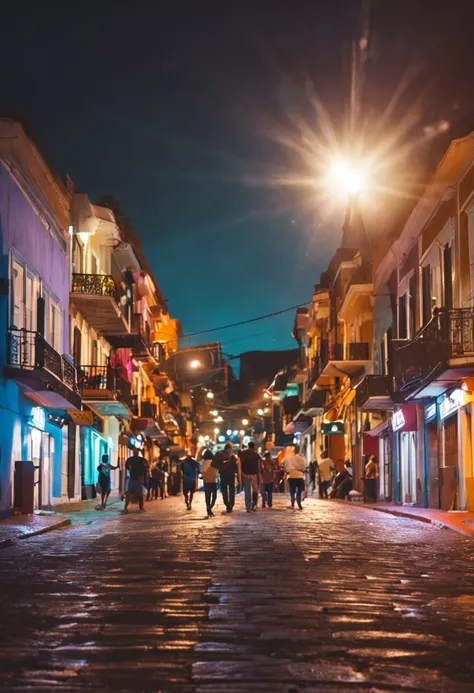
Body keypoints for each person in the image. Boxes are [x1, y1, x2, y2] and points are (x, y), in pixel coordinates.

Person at [215, 443, 240, 513]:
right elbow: (236, 467)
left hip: (223, 476)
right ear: (230, 449)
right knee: (232, 490)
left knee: (224, 491)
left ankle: (227, 504)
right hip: (231, 476)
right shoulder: (232, 456)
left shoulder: (221, 455)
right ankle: (231, 504)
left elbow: (217, 466)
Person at [239, 441, 261, 512]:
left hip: (245, 474)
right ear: (254, 447)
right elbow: (258, 466)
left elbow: (239, 465)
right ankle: (254, 505)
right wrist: (259, 477)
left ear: (248, 446)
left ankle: (248, 507)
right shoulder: (256, 455)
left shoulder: (242, 454)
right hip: (254, 474)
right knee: (255, 490)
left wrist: (241, 473)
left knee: (247, 491)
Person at [284, 444, 307, 510]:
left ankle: (292, 503)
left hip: (291, 476)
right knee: (299, 491)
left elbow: (285, 467)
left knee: (292, 491)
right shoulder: (301, 458)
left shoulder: (289, 458)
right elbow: (305, 466)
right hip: (299, 476)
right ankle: (299, 503)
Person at [201, 448, 218, 517]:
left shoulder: (204, 463)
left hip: (206, 481)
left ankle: (208, 508)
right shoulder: (214, 462)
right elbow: (217, 470)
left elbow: (202, 471)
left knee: (207, 496)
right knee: (214, 496)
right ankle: (210, 507)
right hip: (213, 481)